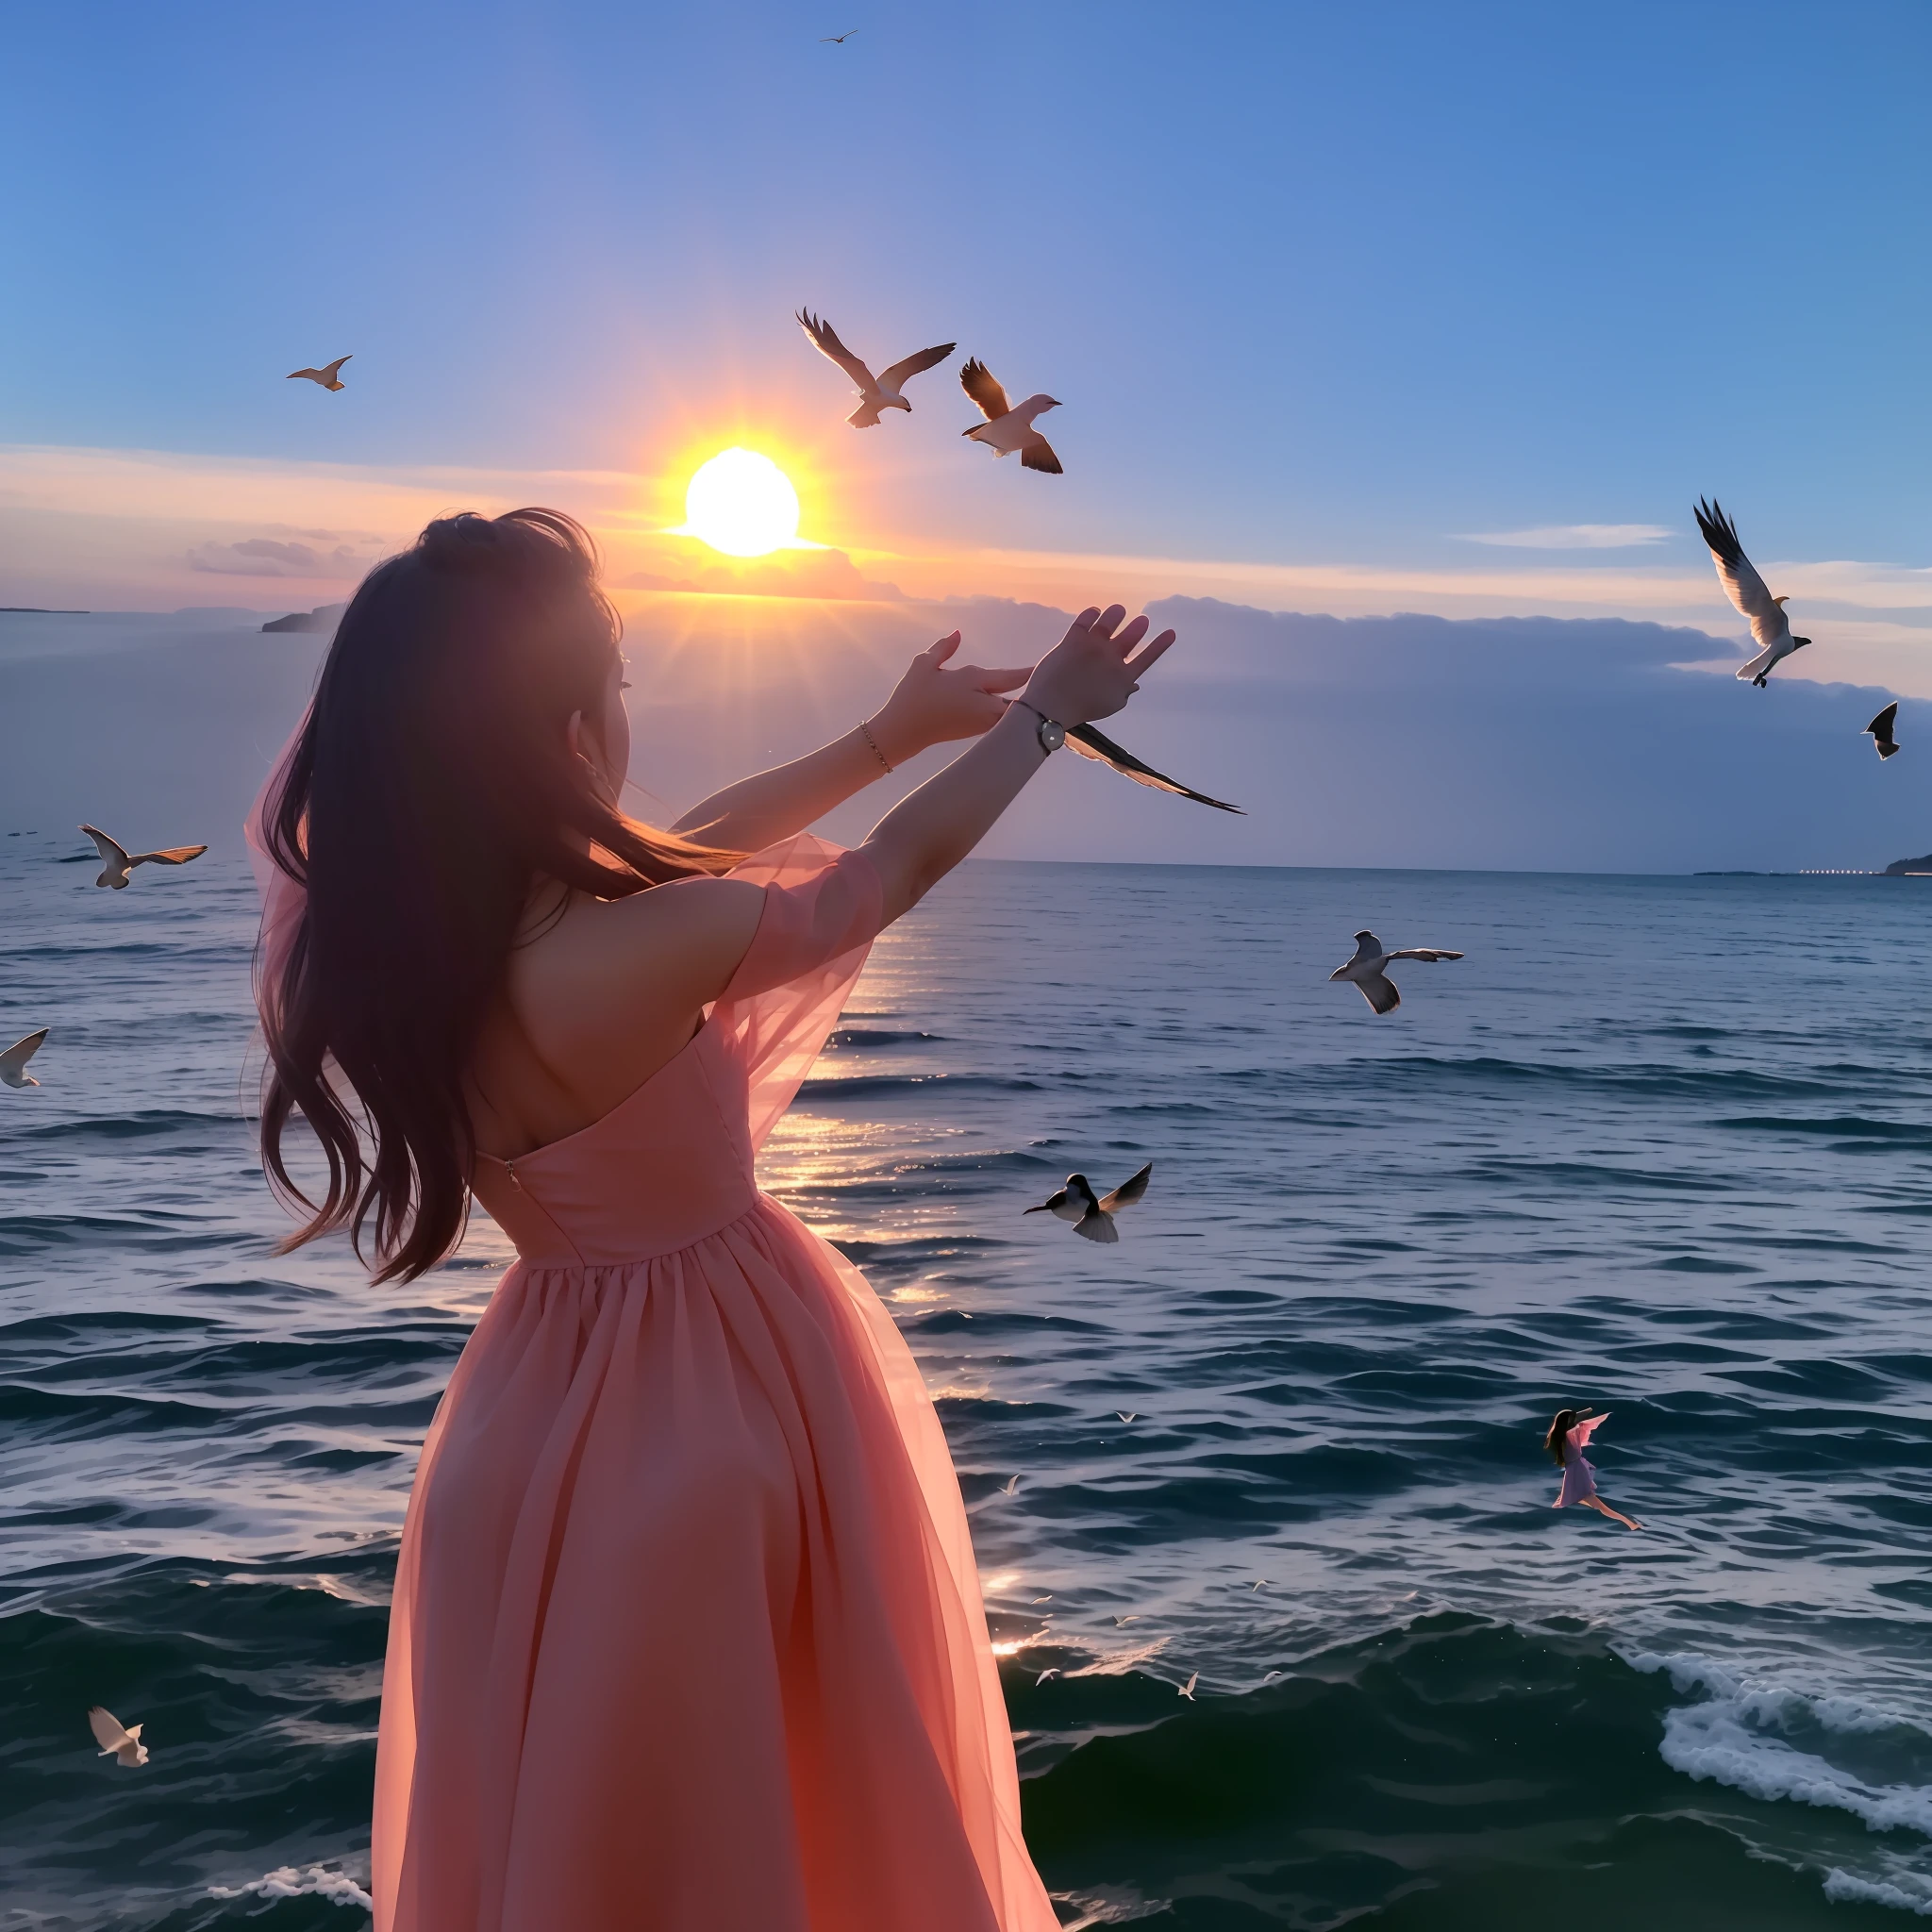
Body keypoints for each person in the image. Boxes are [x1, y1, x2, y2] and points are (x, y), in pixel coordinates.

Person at [246, 506, 1175, 1932]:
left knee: (592, 1831)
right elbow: (886, 876)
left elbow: (672, 850)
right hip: (724, 1397)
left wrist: (884, 733)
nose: (627, 711)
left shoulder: (395, 959)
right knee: (794, 1794)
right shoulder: (645, 940)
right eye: (616, 680)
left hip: (527, 1422)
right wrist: (1042, 720)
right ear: (565, 731)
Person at [1545, 1407, 1641, 1530]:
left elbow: (1570, 1421)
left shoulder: (1557, 1436)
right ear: (1568, 1423)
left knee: (1584, 1499)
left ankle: (1629, 1523)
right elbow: (1583, 1416)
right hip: (1578, 1470)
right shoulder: (1571, 1434)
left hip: (1573, 1470)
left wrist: (1571, 1417)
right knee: (1594, 1502)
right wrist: (1588, 1411)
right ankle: (1631, 1524)